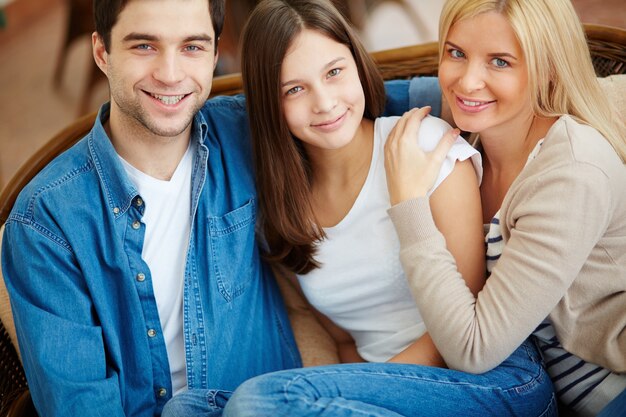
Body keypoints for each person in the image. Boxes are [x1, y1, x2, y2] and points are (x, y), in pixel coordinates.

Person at [0, 0, 443, 416]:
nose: (171, 74)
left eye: (192, 47)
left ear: (215, 54)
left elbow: (371, 99)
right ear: (102, 51)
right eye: (144, 46)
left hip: (274, 401)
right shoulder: (47, 224)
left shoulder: (250, 131)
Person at [177, 1, 555, 416]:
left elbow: (468, 320)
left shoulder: (424, 146)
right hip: (378, 393)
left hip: (488, 381)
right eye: (295, 89)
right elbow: (343, 342)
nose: (324, 103)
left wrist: (347, 392)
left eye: (334, 72)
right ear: (272, 105)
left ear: (357, 65)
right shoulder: (284, 206)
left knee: (259, 402)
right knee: (189, 409)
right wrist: (347, 397)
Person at [380, 0, 626, 416]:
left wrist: (410, 206)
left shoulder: (571, 171)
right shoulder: (469, 125)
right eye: (456, 52)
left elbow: (472, 351)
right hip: (532, 382)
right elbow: (356, 97)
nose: (467, 81)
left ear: (547, 68)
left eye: (500, 61)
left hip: (610, 389)